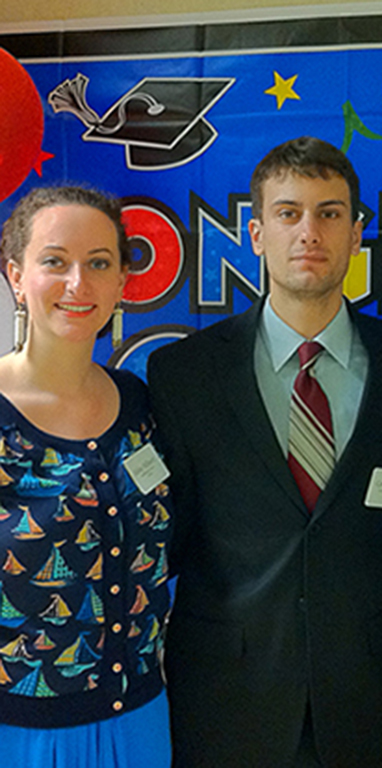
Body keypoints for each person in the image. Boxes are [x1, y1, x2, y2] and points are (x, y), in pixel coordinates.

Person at [147, 136, 382, 767]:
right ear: (256, 234)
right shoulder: (183, 373)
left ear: (357, 232)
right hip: (223, 691)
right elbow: (167, 534)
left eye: (329, 213)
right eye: (288, 213)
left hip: (362, 691)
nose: (309, 232)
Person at [0, 186, 173, 767]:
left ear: (123, 280)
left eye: (99, 263)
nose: (79, 284)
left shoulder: (142, 405)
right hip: (20, 734)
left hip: (142, 722)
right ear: (15, 274)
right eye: (55, 261)